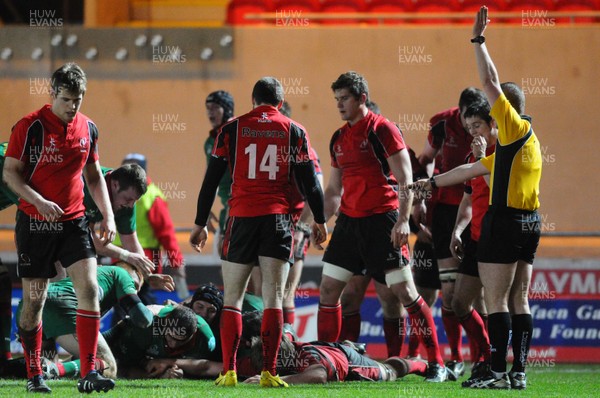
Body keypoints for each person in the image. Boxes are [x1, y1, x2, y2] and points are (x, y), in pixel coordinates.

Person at [411, 6, 542, 389]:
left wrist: (478, 40)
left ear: (509, 111)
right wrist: (431, 185)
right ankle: (517, 373)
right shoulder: (524, 145)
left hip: (504, 222)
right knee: (520, 301)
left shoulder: (513, 129)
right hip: (530, 222)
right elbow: (467, 173)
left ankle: (498, 372)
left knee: (497, 301)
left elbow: (490, 80)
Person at [190, 77, 326, 388]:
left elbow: (210, 182)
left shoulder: (231, 129)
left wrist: (199, 224)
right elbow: (310, 183)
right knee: (273, 298)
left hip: (240, 219)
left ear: (253, 101)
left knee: (233, 299)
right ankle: (269, 372)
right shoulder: (294, 129)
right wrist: (320, 219)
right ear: (280, 103)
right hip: (277, 219)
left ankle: (229, 372)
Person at [316, 71, 446, 382]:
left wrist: (403, 220)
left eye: (344, 98)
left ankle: (436, 362)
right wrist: (321, 220)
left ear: (361, 98)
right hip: (349, 224)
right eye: (336, 100)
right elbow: (334, 190)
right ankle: (332, 360)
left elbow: (405, 181)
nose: (339, 105)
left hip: (382, 221)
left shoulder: (383, 130)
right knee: (332, 292)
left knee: (403, 292)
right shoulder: (339, 138)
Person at [3, 63, 116, 393]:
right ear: (52, 94)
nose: (72, 107)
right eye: (66, 99)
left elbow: (94, 177)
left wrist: (107, 216)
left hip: (74, 222)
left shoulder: (88, 129)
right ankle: (34, 372)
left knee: (90, 290)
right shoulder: (29, 127)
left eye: (78, 99)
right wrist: (38, 201)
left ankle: (88, 373)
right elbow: (10, 174)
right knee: (34, 304)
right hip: (35, 224)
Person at [413, 86, 487, 378]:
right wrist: (421, 199)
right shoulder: (442, 124)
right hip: (445, 212)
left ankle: (484, 357)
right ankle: (456, 358)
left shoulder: (495, 131)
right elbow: (425, 160)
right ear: (459, 113)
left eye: (476, 123)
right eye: (467, 122)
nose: (471, 128)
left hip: (479, 211)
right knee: (450, 292)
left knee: (477, 297)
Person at [11, 263, 152, 380]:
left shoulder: (94, 275)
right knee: (108, 365)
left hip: (30, 307)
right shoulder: (121, 273)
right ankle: (52, 370)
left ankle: (6, 368)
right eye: (134, 286)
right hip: (62, 307)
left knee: (46, 364)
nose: (134, 291)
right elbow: (143, 319)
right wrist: (155, 309)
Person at [448, 100, 495, 380]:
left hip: (500, 239)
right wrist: (457, 230)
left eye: (477, 125)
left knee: (499, 303)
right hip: (476, 238)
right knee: (459, 303)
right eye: (468, 128)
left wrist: (482, 160)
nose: (473, 132)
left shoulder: (504, 154)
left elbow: (498, 193)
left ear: (492, 124)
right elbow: (467, 199)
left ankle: (500, 365)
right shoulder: (471, 159)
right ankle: (487, 355)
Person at [118, 153, 187, 300]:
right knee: (135, 302)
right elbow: (167, 234)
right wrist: (177, 264)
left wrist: (176, 263)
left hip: (137, 261)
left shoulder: (151, 196)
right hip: (131, 259)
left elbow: (166, 233)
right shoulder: (151, 195)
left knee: (127, 301)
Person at [243, 333, 427, 384]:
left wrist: (278, 380)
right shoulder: (266, 351)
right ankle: (349, 344)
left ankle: (421, 365)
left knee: (390, 371)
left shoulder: (306, 357)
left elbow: (319, 375)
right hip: (329, 349)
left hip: (349, 363)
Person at [104, 305, 216, 379]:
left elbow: (209, 366)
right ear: (164, 324)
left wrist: (170, 363)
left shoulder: (205, 340)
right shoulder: (146, 328)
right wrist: (157, 373)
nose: (173, 344)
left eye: (181, 342)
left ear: (194, 333)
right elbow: (125, 370)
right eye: (170, 337)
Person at [204, 90, 234, 252]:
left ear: (227, 109)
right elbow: (210, 178)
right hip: (227, 209)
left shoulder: (236, 135)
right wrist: (205, 209)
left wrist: (234, 205)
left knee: (239, 265)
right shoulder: (210, 141)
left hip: (241, 209)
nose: (210, 112)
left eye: (215, 107)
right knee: (226, 262)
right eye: (208, 108)